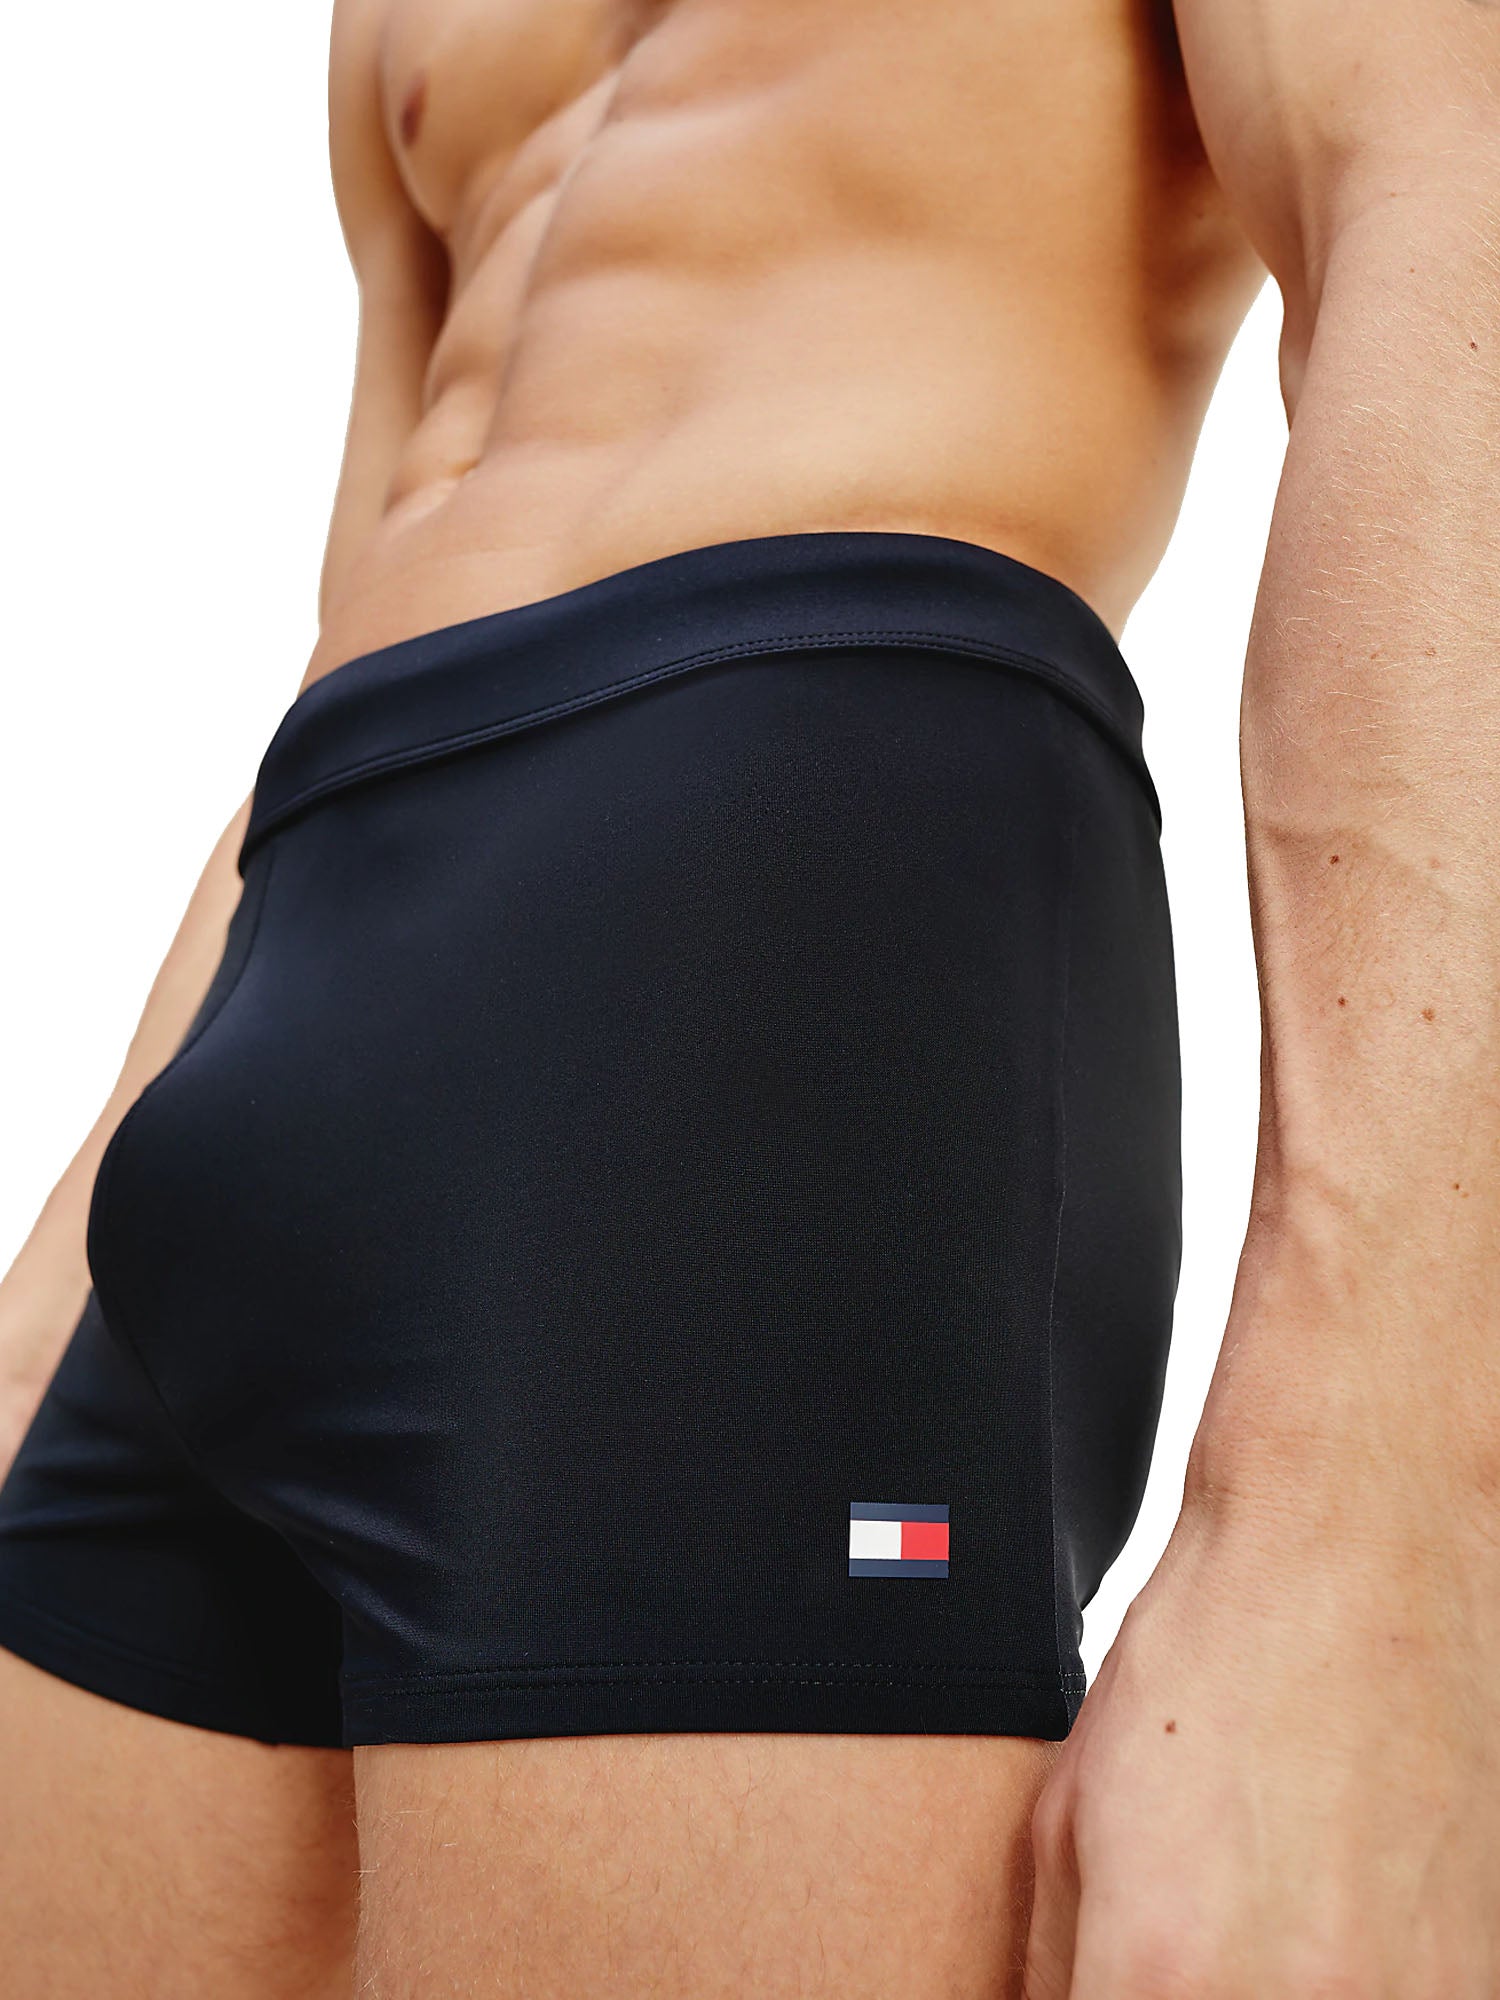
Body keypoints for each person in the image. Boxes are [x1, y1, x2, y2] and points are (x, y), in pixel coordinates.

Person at [1, 0, 1497, 1991]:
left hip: (770, 949)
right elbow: (360, 604)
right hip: (293, 993)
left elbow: (1445, 212)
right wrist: (51, 1299)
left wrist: (1370, 1534)